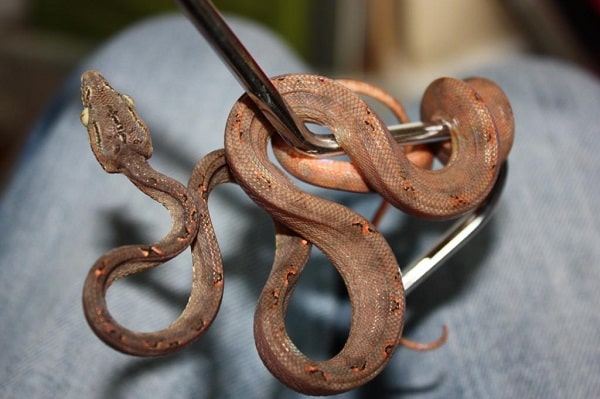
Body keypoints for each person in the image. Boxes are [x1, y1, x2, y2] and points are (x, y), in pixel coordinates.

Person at [0, 14, 598, 399]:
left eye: (107, 108)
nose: (101, 103)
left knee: (163, 46)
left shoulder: (208, 178)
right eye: (98, 112)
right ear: (127, 146)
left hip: (387, 152)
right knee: (557, 93)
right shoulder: (211, 174)